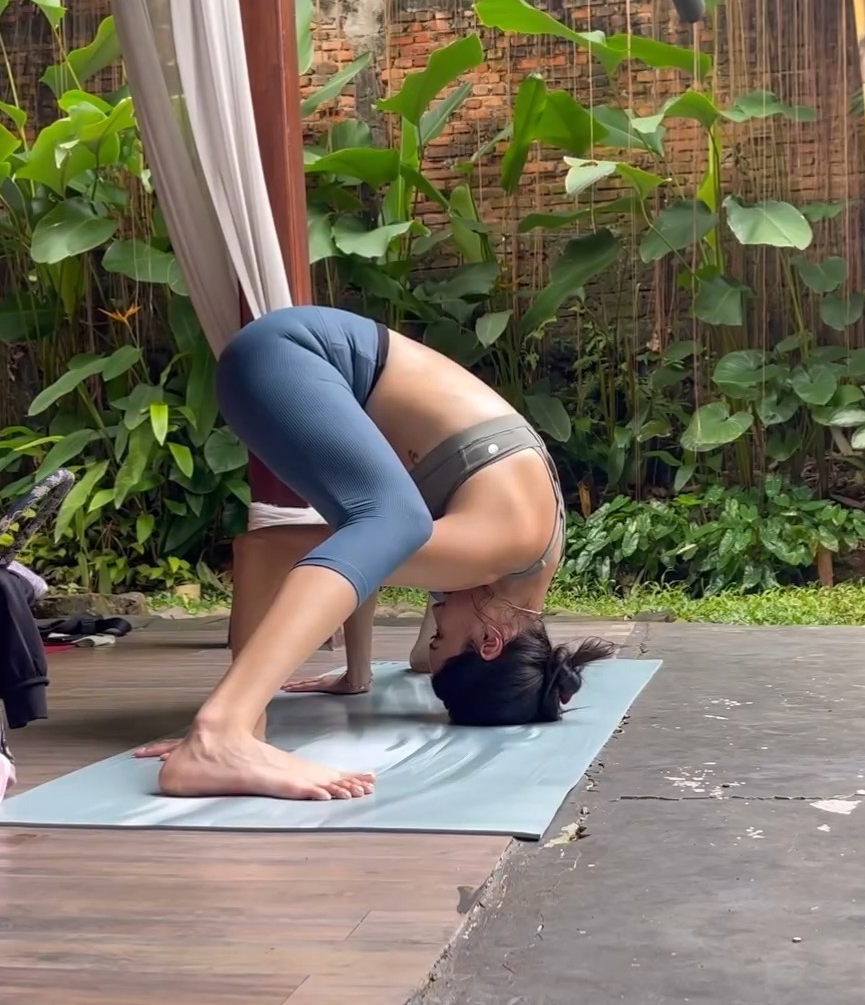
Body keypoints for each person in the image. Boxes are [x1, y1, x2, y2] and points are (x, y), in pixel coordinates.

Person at [138, 305, 611, 801]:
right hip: (292, 356)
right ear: (492, 641)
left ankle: (234, 729)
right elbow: (276, 551)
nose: (436, 617)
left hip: (285, 361)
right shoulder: (497, 548)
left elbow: (345, 555)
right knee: (396, 522)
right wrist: (246, 722)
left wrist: (357, 674)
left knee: (383, 527)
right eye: (443, 636)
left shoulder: (519, 568)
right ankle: (222, 731)